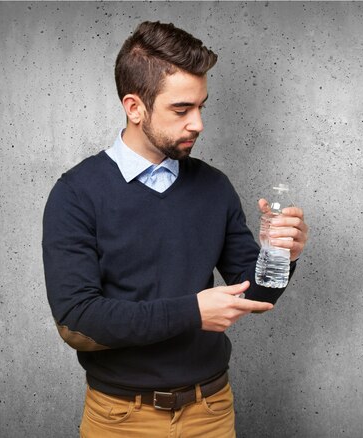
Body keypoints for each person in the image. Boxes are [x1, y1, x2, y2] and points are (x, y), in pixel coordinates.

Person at [42, 21, 308, 438]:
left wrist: (282, 255)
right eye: (182, 110)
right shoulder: (76, 194)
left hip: (211, 411)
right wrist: (193, 312)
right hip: (121, 419)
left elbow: (253, 294)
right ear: (134, 107)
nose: (198, 123)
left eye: (202, 107)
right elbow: (78, 322)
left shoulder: (213, 186)